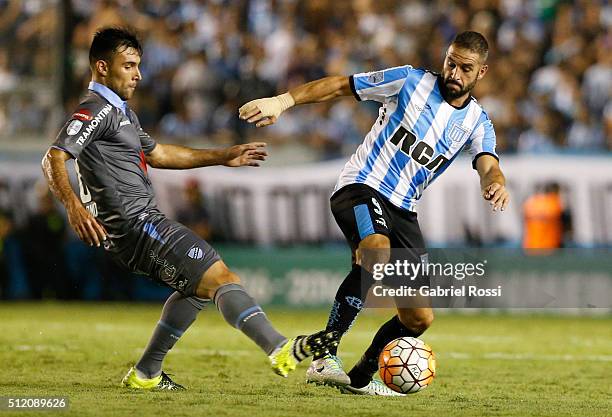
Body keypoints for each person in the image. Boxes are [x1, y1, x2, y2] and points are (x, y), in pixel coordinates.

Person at [41, 27, 337, 391]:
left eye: (138, 65)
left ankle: (146, 373)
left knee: (197, 289)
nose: (138, 75)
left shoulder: (122, 114)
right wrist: (72, 206)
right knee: (222, 279)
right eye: (129, 65)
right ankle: (279, 348)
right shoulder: (95, 110)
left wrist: (222, 156)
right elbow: (54, 156)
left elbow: (159, 154)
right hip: (136, 224)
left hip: (135, 228)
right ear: (102, 67)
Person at [240, 31, 510, 395]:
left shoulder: (477, 122)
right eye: (451, 62)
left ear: (482, 72)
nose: (454, 73)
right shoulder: (409, 81)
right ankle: (324, 354)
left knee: (417, 319)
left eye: (465, 68)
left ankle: (360, 378)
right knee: (376, 252)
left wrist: (494, 183)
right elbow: (341, 85)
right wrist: (283, 100)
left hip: (405, 210)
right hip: (362, 185)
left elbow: (489, 164)